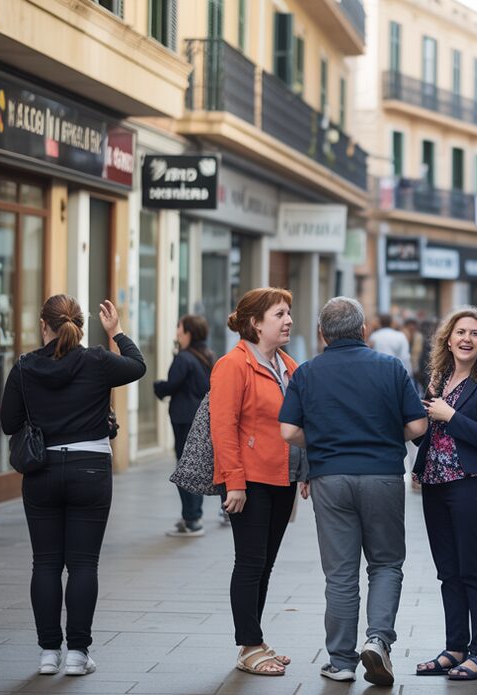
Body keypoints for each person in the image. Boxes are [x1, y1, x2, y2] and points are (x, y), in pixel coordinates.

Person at [279, 297, 428, 686]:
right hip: (382, 476)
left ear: (323, 334)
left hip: (331, 478)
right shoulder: (391, 367)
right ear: (363, 331)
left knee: (341, 573)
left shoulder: (308, 373)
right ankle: (378, 640)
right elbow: (417, 427)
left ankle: (341, 661)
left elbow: (288, 432)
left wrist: (326, 440)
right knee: (385, 563)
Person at [0, 295, 146, 676]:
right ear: (80, 325)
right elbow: (137, 366)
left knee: (45, 563)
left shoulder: (25, 367)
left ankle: (49, 653)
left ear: (42, 325)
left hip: (42, 470)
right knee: (83, 564)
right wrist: (116, 332)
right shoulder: (97, 360)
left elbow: (8, 422)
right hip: (90, 469)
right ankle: (78, 654)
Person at [209, 288, 305, 676]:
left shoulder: (289, 366)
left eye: (288, 313)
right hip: (249, 479)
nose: (288, 321)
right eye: (280, 314)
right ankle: (248, 645)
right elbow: (223, 427)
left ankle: (255, 638)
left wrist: (306, 471)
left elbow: (300, 425)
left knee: (264, 564)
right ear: (255, 323)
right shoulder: (233, 365)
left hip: (282, 476)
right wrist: (233, 482)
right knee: (250, 563)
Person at [411, 307, 477, 681]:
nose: (466, 339)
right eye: (460, 332)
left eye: (474, 333)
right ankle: (455, 648)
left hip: (473, 486)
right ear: (448, 340)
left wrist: (448, 414)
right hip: (435, 486)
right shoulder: (439, 378)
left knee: (473, 570)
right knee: (448, 572)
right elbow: (426, 434)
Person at [153, 314, 214, 538]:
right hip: (201, 417)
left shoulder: (184, 358)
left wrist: (158, 386)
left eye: (179, 327)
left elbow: (171, 385)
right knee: (196, 466)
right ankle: (193, 515)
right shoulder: (208, 356)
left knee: (185, 467)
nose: (177, 331)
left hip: (183, 418)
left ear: (188, 332)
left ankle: (191, 518)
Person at [403, 317, 424, 385]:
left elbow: (418, 353)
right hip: (405, 366)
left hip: (416, 366)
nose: (411, 327)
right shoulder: (402, 336)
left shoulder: (418, 337)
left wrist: (416, 368)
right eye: (409, 325)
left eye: (413, 325)